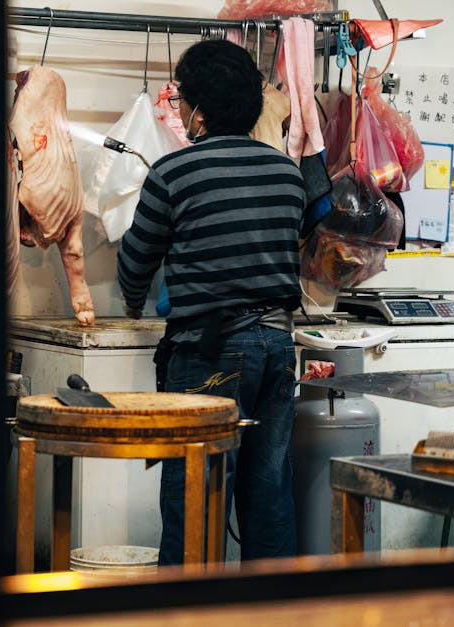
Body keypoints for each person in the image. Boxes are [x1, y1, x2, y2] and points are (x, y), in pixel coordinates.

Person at [116, 39, 304, 566]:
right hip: (275, 349)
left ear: (199, 109)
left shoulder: (174, 173)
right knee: (268, 498)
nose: (178, 111)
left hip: (209, 353)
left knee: (193, 497)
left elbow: (135, 262)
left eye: (180, 101)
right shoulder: (287, 175)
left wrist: (134, 304)